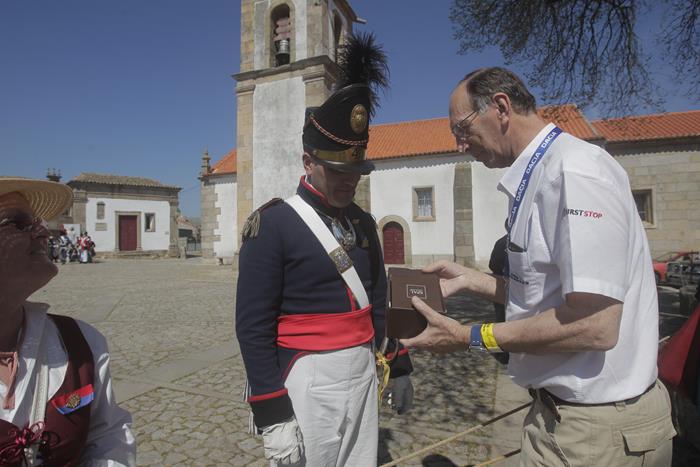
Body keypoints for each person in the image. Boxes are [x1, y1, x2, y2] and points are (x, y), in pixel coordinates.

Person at [401, 68, 675, 466]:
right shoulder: (540, 174)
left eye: (461, 129)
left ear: (500, 107)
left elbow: (595, 325)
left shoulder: (574, 172)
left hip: (598, 432)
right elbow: (552, 294)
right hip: (562, 418)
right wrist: (474, 281)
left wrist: (469, 335)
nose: (460, 145)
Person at [236, 33, 413, 467]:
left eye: (355, 169)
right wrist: (272, 408)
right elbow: (253, 325)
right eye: (336, 168)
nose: (348, 179)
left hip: (362, 372)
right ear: (308, 162)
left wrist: (399, 360)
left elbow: (378, 299)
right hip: (306, 375)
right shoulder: (273, 224)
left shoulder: (363, 222)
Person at [0, 177, 136, 465]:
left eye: (38, 221)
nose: (43, 232)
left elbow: (107, 435)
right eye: (18, 222)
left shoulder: (82, 344)